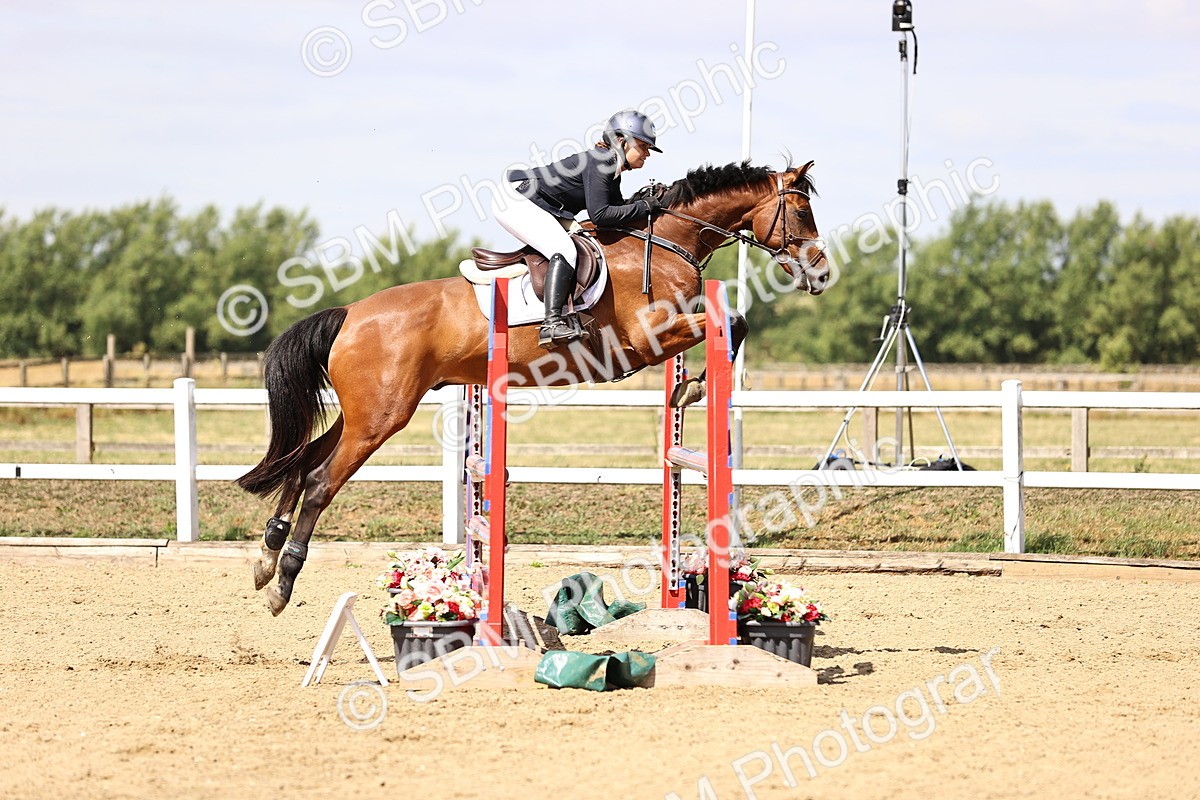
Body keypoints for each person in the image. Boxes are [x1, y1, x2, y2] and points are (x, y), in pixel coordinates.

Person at [494, 109, 666, 346]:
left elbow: (616, 208)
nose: (647, 153)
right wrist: (645, 206)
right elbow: (601, 215)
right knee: (565, 250)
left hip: (543, 205)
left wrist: (640, 202)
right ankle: (551, 323)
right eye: (643, 146)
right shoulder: (602, 162)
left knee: (581, 241)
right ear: (620, 141)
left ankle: (568, 313)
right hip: (515, 199)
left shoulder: (610, 165)